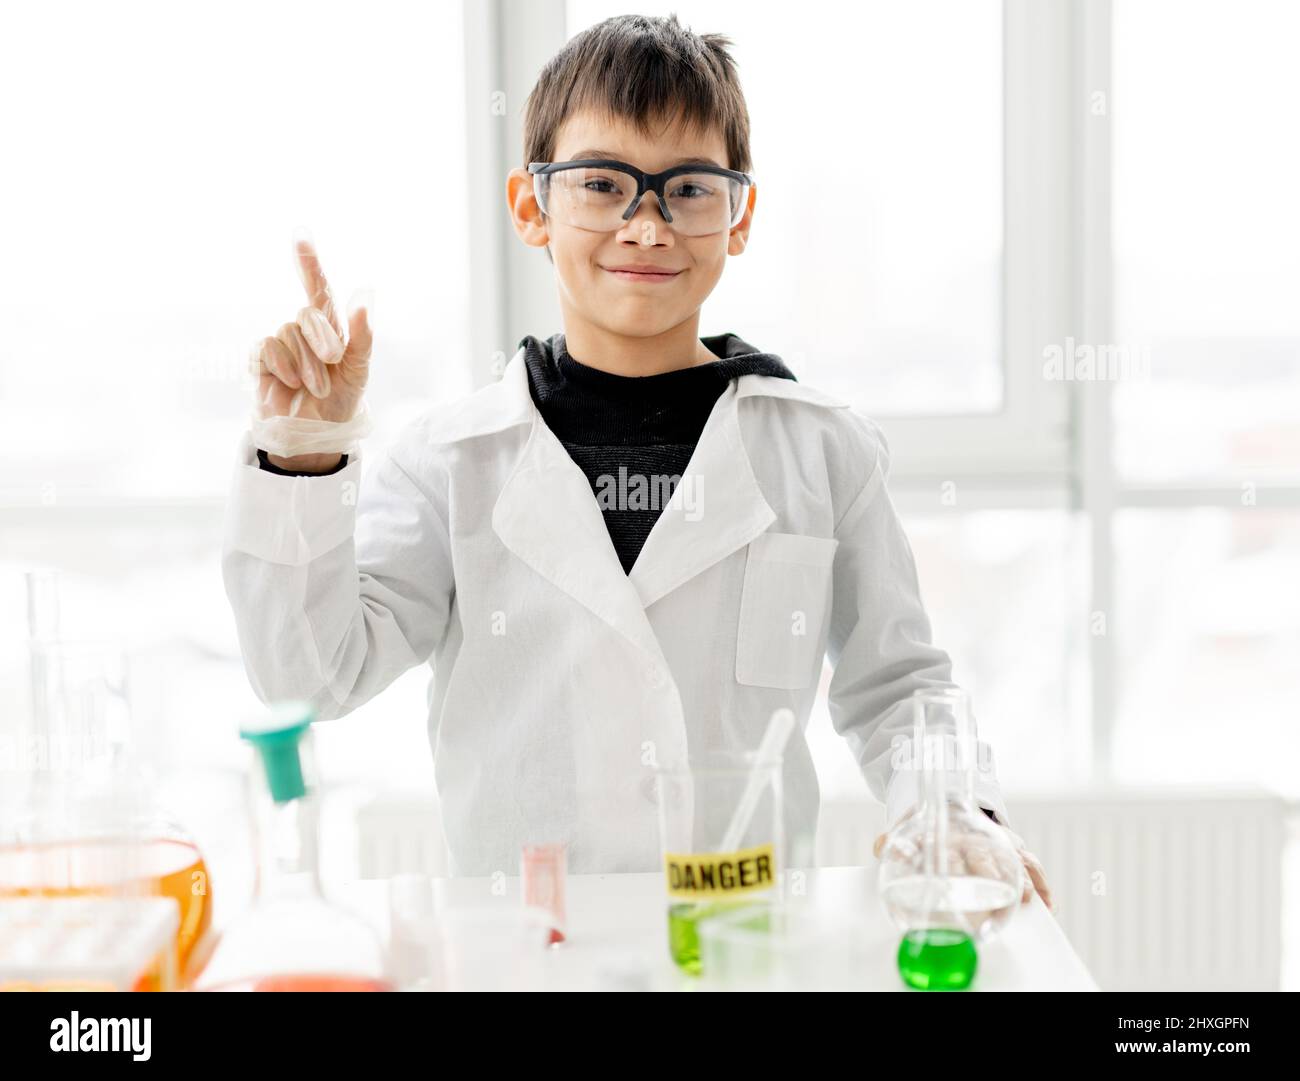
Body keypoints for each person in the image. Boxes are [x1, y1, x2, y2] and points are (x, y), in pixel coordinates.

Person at [223, 13, 1052, 909]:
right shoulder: (451, 459)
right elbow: (311, 674)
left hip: (742, 940)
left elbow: (898, 685)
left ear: (739, 215)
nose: (647, 226)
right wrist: (303, 453)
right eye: (603, 184)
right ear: (532, 206)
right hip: (529, 949)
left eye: (689, 188)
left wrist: (957, 811)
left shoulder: (820, 450)